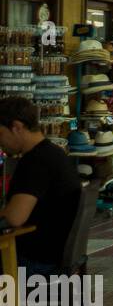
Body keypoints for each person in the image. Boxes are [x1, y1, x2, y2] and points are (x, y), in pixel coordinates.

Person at [0, 96, 82, 274]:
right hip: (51, 258)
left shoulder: (36, 163)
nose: (1, 142)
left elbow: (15, 218)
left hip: (34, 262)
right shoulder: (54, 154)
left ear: (16, 127)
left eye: (1, 134)